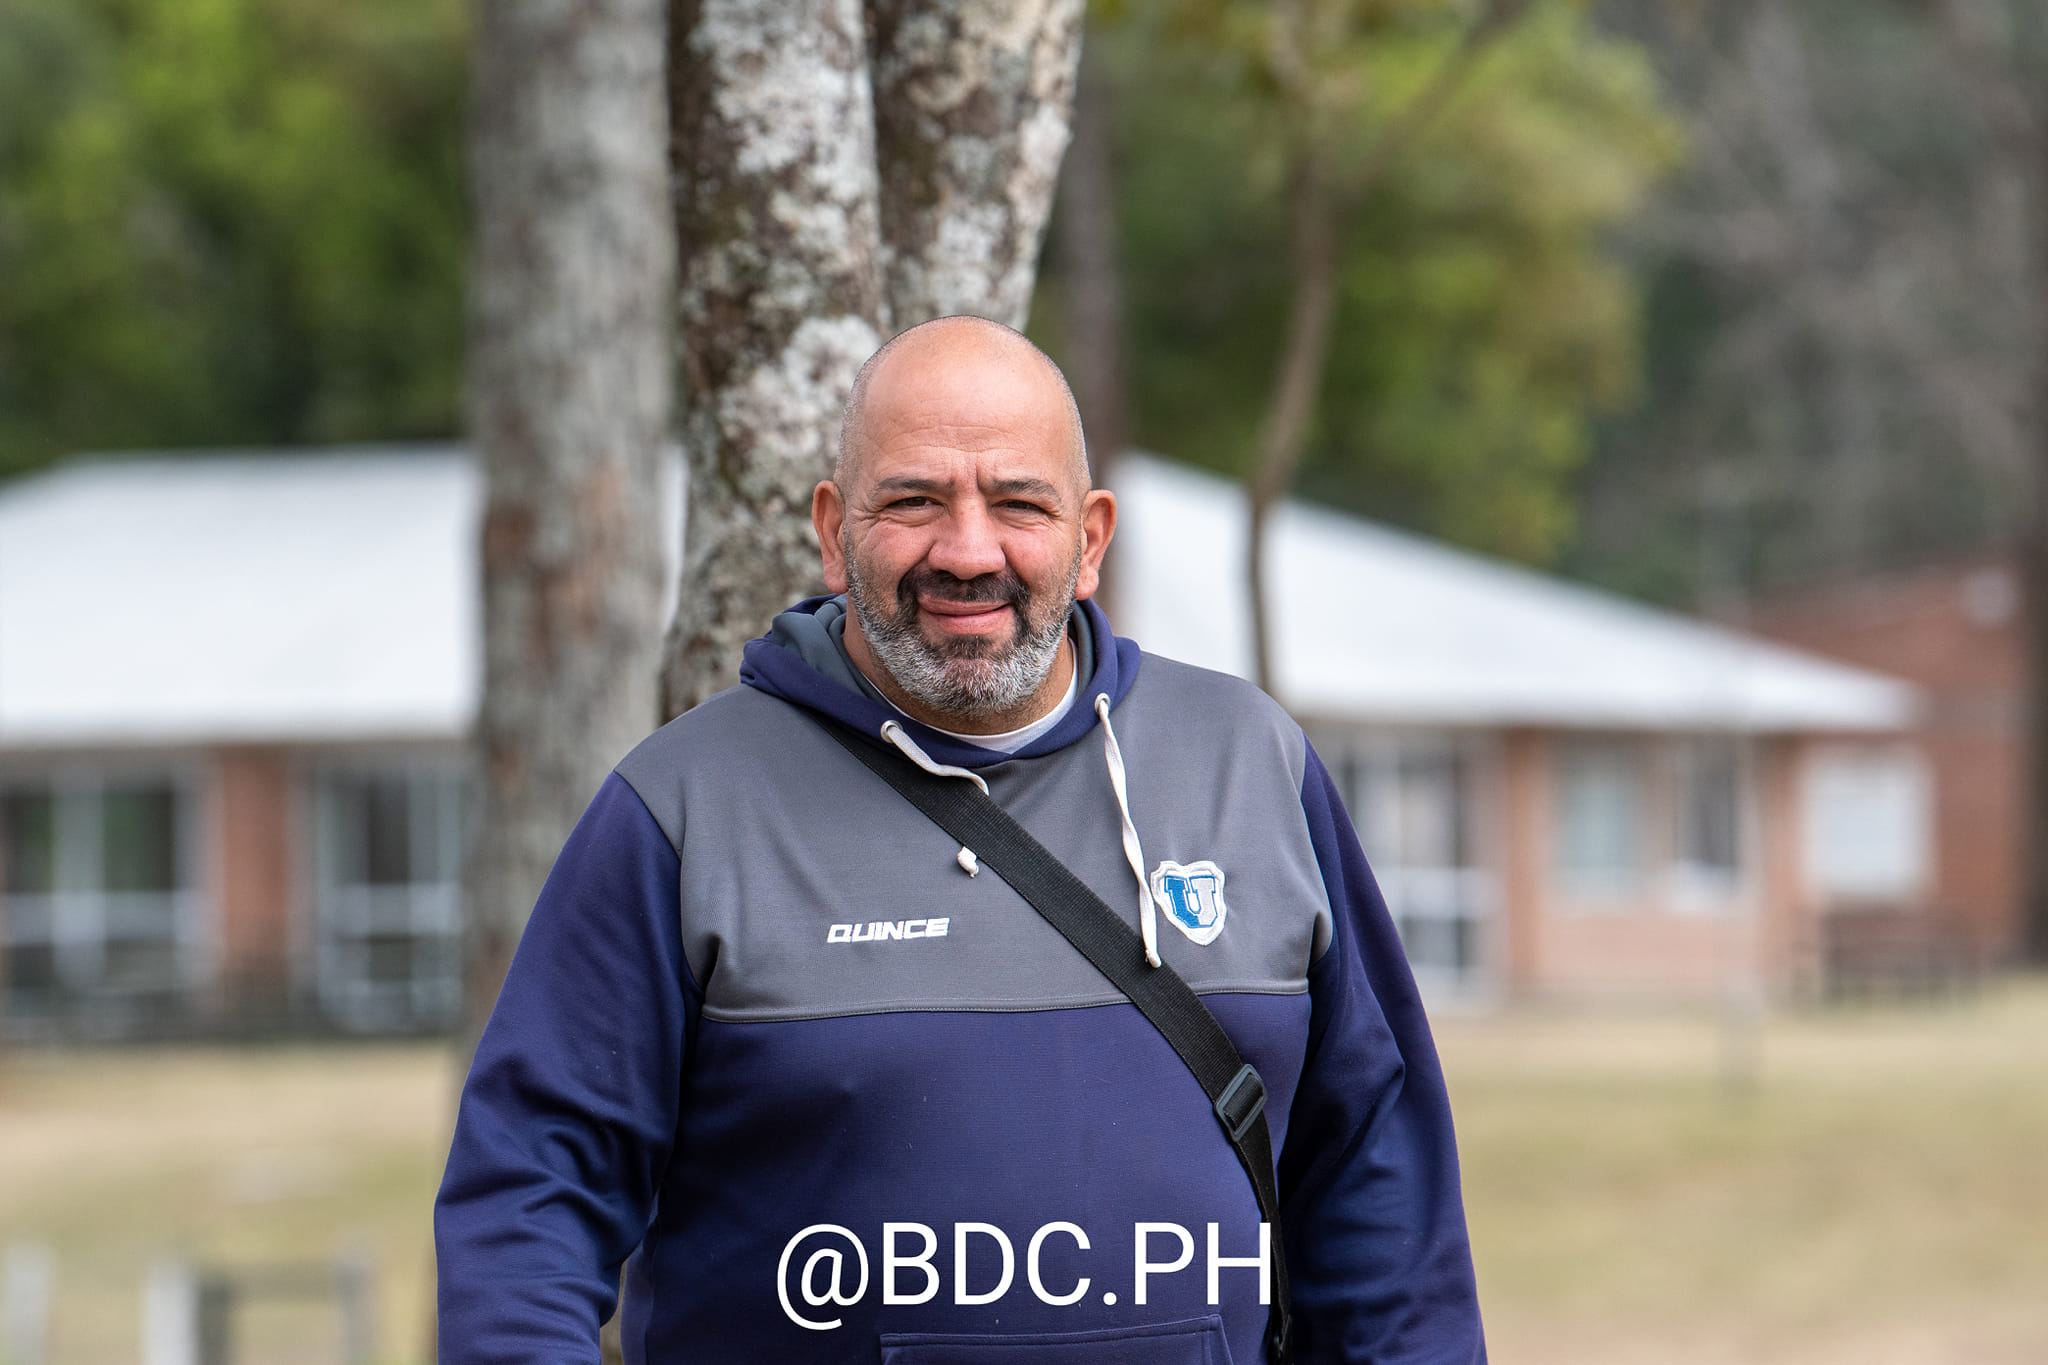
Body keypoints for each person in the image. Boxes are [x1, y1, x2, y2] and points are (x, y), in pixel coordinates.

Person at [435, 316, 1486, 1364]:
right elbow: (526, 1205)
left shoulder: (1252, 765)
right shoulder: (685, 806)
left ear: (1090, 539)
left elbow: (1384, 1205)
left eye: (1019, 503)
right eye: (913, 501)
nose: (968, 551)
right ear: (832, 530)